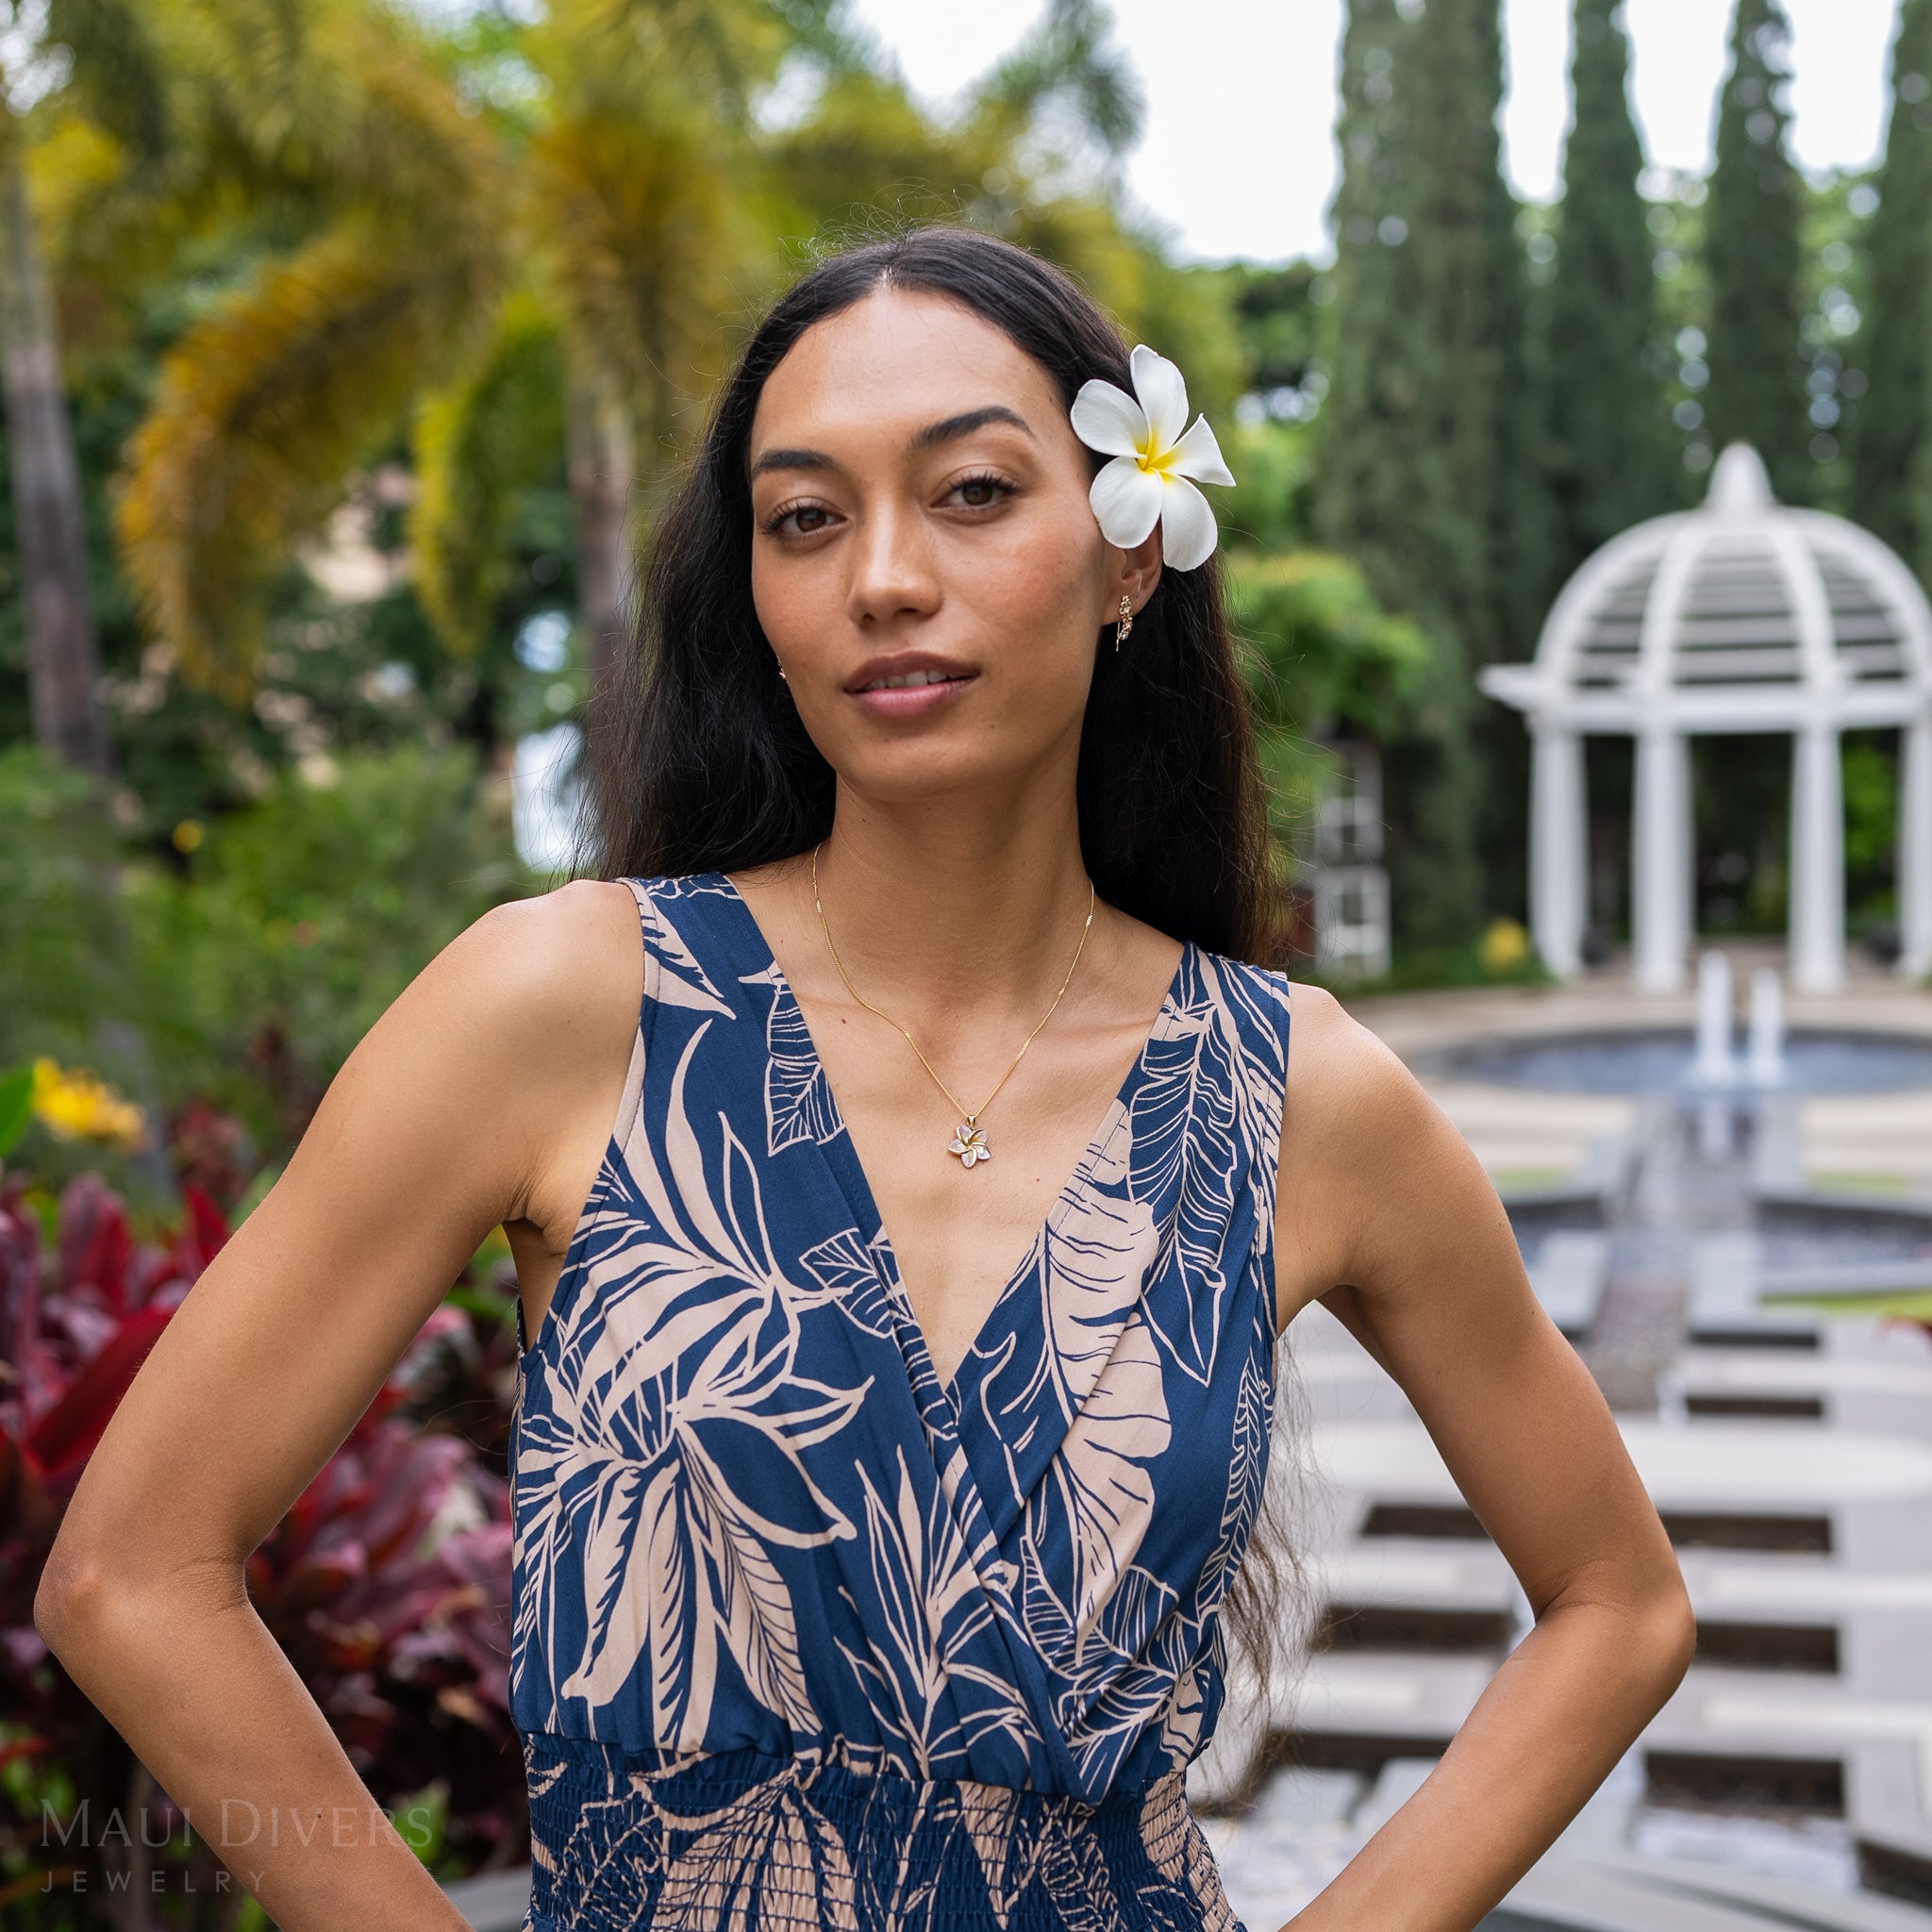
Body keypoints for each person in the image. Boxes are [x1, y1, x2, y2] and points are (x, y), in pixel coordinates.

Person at [35, 226, 1694, 1932]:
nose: (884, 578)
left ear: (1128, 557)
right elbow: (134, 1572)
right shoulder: (570, 1006)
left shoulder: (1295, 1096)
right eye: (807, 517)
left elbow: (1619, 1604)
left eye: (972, 492)